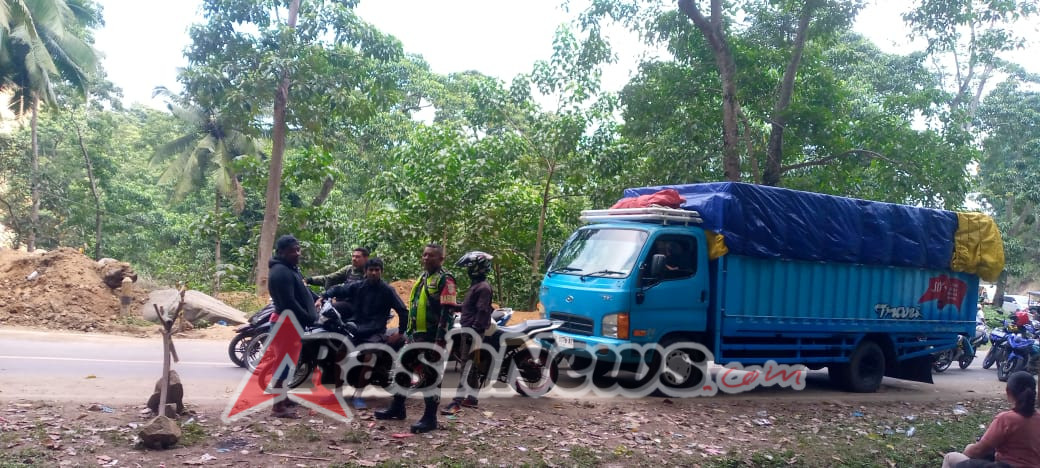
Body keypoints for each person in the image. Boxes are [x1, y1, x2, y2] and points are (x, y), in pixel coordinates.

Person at [374, 243, 457, 433]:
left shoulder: (446, 280)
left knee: (430, 377)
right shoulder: (423, 278)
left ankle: (430, 418)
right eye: (425, 255)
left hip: (432, 337)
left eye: (431, 256)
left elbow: (447, 312)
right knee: (402, 370)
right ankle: (397, 407)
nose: (426, 258)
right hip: (415, 336)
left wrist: (440, 340)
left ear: (441, 259)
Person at [321, 257, 408, 410]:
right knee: (340, 353)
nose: (374, 273)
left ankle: (359, 395)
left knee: (369, 356)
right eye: (371, 270)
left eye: (377, 270)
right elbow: (339, 289)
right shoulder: (358, 286)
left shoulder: (387, 290)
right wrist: (324, 296)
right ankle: (338, 393)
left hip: (376, 331)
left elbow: (402, 310)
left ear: (381, 272)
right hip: (356, 328)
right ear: (365, 272)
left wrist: (400, 332)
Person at [265, 234, 319, 419]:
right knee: (283, 366)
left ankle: (284, 398)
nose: (297, 253)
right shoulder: (280, 272)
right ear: (281, 252)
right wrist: (308, 318)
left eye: (298, 249)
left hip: (291, 324)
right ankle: (278, 407)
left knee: (289, 365)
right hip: (285, 323)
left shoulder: (290, 269)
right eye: (292, 251)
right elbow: (289, 302)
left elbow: (302, 292)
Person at [942, 371, 1040, 468]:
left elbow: (977, 451)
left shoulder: (1006, 419)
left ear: (1008, 391)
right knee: (971, 448)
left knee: (950, 457)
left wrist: (967, 453)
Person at [442, 251, 495, 415]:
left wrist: (472, 330)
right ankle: (472, 398)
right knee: (470, 365)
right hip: (469, 329)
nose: (468, 270)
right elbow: (470, 307)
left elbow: (481, 311)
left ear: (477, 268)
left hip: (473, 331)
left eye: (470, 267)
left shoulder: (483, 288)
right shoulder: (477, 286)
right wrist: (454, 306)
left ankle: (456, 402)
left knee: (466, 365)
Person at [305, 247, 369, 289]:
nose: (354, 259)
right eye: (353, 256)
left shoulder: (371, 271)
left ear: (366, 258)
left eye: (357, 257)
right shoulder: (348, 269)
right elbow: (328, 278)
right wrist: (309, 280)